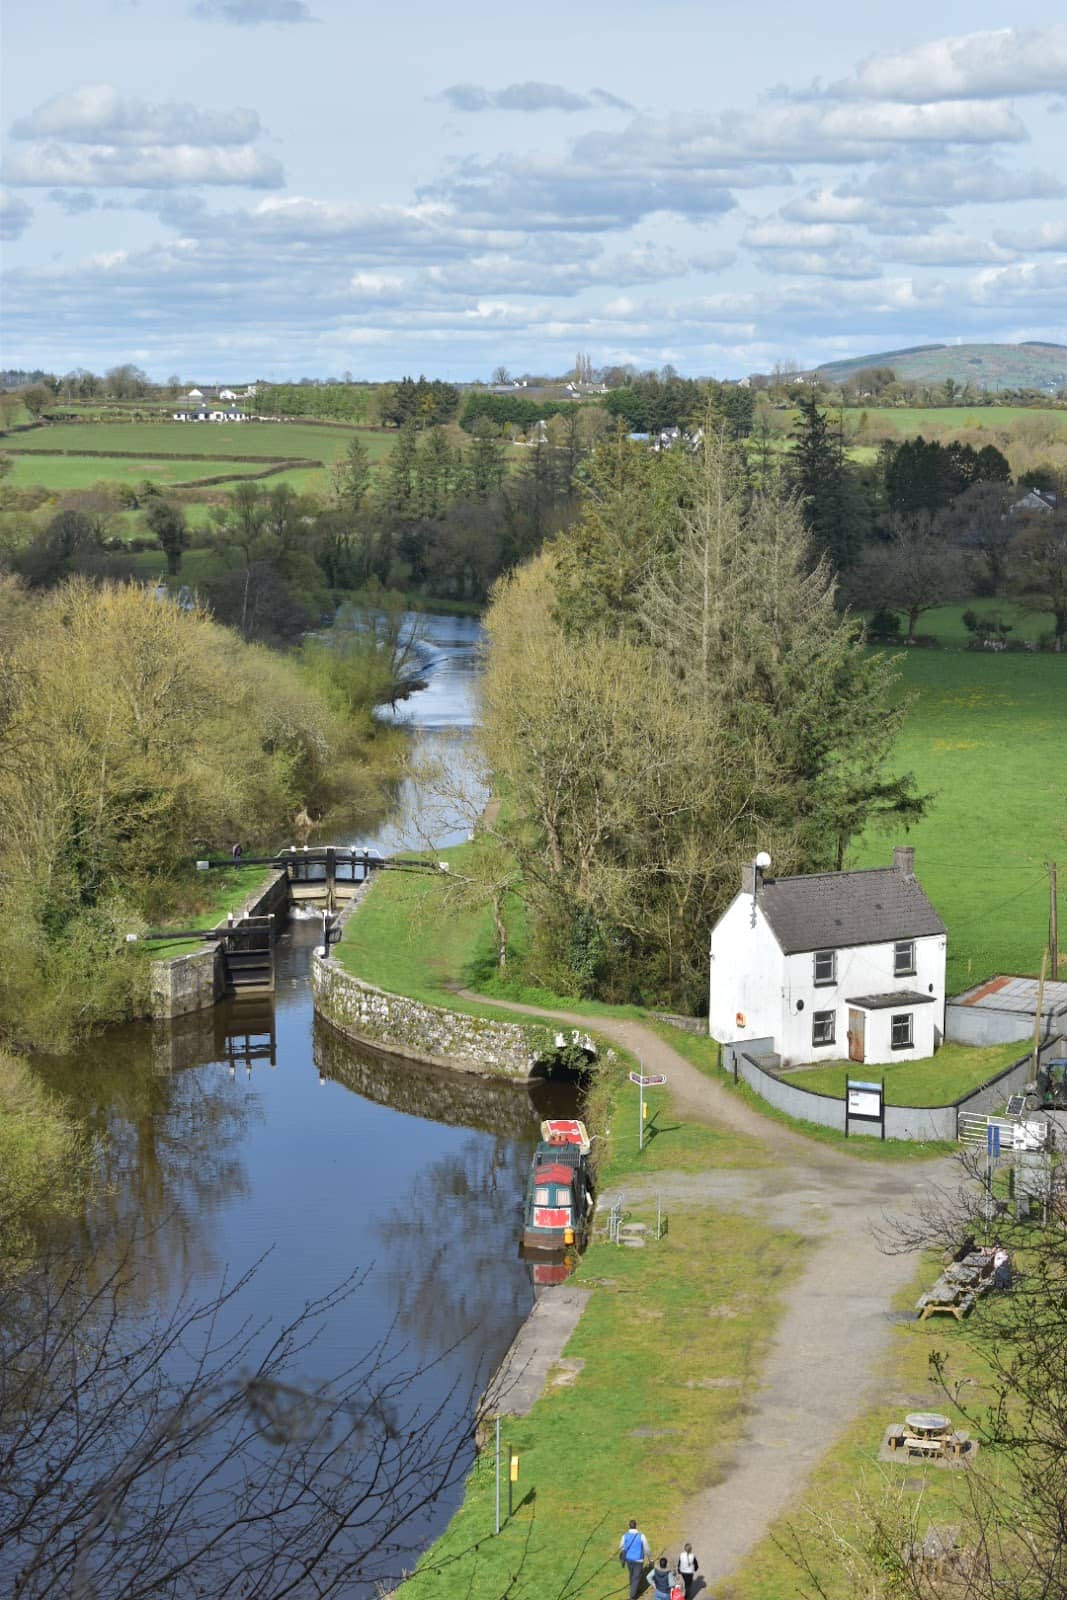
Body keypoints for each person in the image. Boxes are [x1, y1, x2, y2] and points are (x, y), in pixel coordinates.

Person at [619, 1520, 650, 1599]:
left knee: (631, 1574)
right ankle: (632, 1596)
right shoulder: (641, 1536)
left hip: (629, 1559)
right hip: (638, 1560)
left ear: (629, 1526)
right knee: (636, 1577)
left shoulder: (625, 1536)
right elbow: (646, 1549)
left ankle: (633, 1589)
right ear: (636, 1526)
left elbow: (621, 1546)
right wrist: (649, 1558)